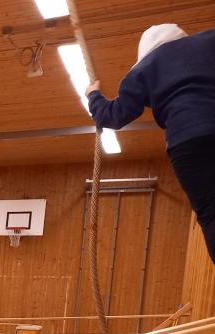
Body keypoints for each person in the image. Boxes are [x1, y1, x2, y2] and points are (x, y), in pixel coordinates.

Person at [87, 24, 215, 264]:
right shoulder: (209, 41)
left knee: (210, 212)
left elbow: (114, 116)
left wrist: (93, 95)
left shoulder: (143, 70)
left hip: (187, 139)